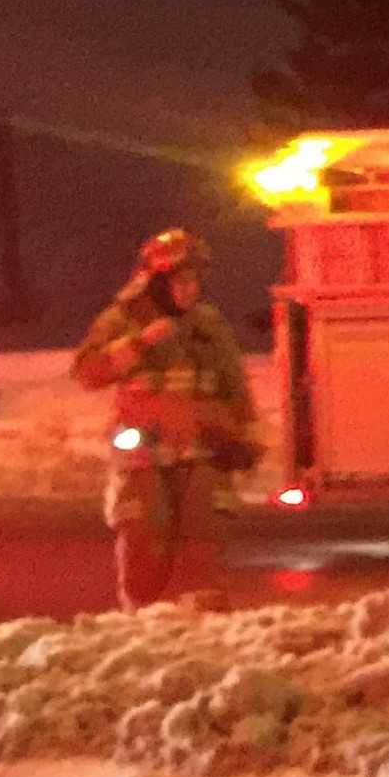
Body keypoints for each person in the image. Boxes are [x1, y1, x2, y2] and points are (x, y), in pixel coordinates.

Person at [70, 227, 259, 610]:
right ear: (155, 281)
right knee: (142, 536)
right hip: (144, 453)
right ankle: (142, 623)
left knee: (203, 539)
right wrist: (138, 345)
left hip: (203, 450)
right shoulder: (122, 320)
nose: (190, 289)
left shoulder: (208, 325)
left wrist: (242, 436)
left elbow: (235, 388)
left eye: (194, 280)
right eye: (180, 280)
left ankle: (205, 624)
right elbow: (88, 372)